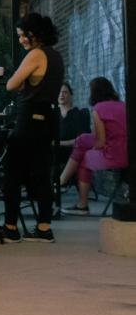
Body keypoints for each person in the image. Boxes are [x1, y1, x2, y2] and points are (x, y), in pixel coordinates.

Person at [0, 13, 65, 243]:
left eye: (22, 36)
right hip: (49, 118)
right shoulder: (56, 56)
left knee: (13, 172)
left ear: (33, 34)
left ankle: (10, 227)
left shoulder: (36, 54)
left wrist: (21, 82)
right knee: (42, 174)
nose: (21, 40)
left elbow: (11, 84)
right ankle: (44, 228)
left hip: (30, 119)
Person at [59, 78, 128, 216]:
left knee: (84, 157)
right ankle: (61, 182)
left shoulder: (98, 109)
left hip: (114, 156)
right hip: (128, 153)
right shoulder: (124, 105)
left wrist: (88, 148)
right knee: (83, 139)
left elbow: (100, 142)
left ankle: (80, 203)